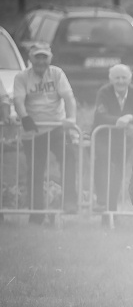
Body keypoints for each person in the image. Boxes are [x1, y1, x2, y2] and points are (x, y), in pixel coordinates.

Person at [12, 43, 79, 223]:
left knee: (69, 158)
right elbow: (18, 100)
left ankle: (70, 201)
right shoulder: (22, 77)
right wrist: (24, 117)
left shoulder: (57, 73)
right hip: (33, 130)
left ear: (50, 58)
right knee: (35, 170)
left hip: (56, 126)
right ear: (30, 58)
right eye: (37, 57)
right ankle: (36, 213)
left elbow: (69, 97)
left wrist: (71, 118)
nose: (41, 61)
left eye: (44, 57)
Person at [91, 64, 133, 214]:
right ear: (111, 79)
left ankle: (111, 211)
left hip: (124, 140)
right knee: (103, 164)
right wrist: (119, 121)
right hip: (104, 137)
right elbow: (100, 115)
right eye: (117, 78)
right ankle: (101, 200)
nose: (121, 81)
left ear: (130, 79)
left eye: (124, 78)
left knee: (117, 173)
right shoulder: (104, 92)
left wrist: (130, 118)